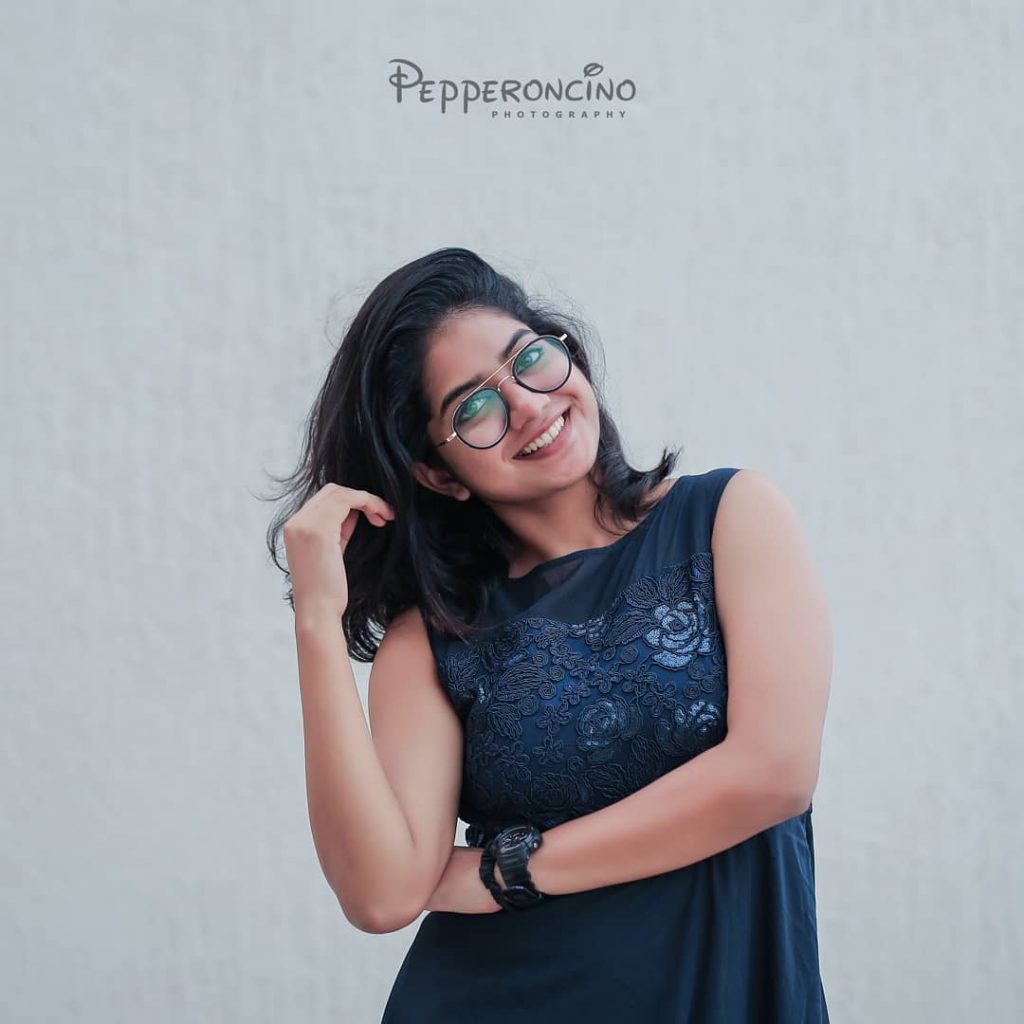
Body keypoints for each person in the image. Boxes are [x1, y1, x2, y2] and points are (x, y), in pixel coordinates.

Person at [265, 246, 833, 1022]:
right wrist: (316, 621)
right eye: (474, 407)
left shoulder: (730, 517)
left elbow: (775, 772)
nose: (529, 406)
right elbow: (382, 894)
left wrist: (509, 870)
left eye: (529, 358)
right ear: (438, 473)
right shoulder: (431, 639)